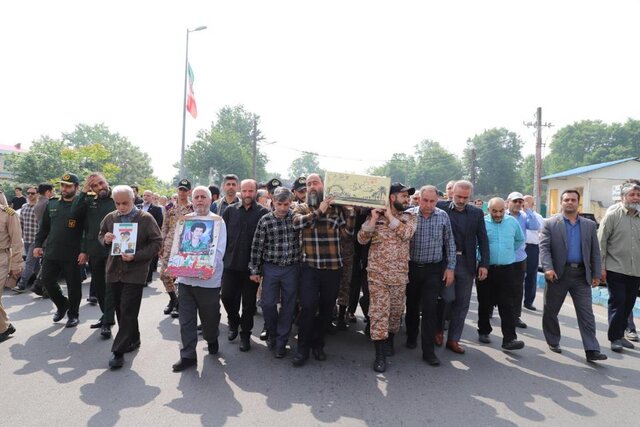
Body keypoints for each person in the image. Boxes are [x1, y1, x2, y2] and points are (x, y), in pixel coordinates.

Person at [292, 173, 355, 367]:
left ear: (323, 186)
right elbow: (297, 223)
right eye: (308, 184)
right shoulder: (301, 207)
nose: (311, 186)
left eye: (315, 183)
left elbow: (347, 235)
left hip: (333, 268)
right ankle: (302, 348)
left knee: (327, 310)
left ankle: (318, 344)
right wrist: (319, 211)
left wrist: (350, 212)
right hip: (310, 268)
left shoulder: (336, 210)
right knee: (308, 308)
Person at [539, 189, 607, 362]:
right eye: (567, 199)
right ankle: (553, 340)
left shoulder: (589, 225)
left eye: (573, 199)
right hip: (557, 275)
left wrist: (597, 273)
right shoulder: (550, 223)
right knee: (551, 311)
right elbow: (544, 248)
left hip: (581, 275)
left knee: (587, 314)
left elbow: (595, 252)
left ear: (578, 202)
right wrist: (548, 268)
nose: (570, 202)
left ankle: (592, 349)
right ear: (561, 202)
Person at [99, 185, 163, 369]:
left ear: (133, 199)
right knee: (121, 310)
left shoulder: (145, 218)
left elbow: (156, 242)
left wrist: (137, 255)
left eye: (125, 203)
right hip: (113, 270)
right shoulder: (111, 217)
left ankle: (118, 351)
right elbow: (101, 234)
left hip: (135, 272)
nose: (121, 207)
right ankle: (133, 338)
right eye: (117, 203)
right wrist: (106, 239)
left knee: (128, 309)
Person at [358, 182, 416, 372]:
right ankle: (380, 355)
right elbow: (362, 239)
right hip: (377, 275)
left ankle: (390, 340)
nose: (407, 199)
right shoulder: (373, 216)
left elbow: (406, 234)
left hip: (399, 276)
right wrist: (373, 219)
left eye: (407, 197)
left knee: (395, 314)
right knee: (379, 314)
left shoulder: (409, 217)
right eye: (403, 196)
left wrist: (389, 215)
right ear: (392, 197)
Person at [171, 186, 227, 372]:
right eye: (197, 197)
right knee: (186, 320)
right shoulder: (184, 222)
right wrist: (177, 264)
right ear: (192, 200)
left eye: (204, 197)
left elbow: (219, 252)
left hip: (208, 282)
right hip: (186, 281)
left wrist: (204, 266)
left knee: (209, 319)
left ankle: (212, 338)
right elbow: (178, 248)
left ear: (210, 200)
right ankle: (188, 355)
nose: (200, 200)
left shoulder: (218, 222)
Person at [437, 180, 489, 355]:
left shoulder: (476, 213)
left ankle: (453, 339)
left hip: (467, 264)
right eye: (458, 196)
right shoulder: (440, 208)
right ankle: (438, 329)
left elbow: (483, 239)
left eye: (465, 198)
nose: (461, 200)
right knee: (446, 298)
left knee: (462, 303)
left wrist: (484, 264)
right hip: (445, 263)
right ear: (452, 193)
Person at [404, 185, 454, 366]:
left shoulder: (443, 216)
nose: (428, 204)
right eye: (425, 200)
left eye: (432, 201)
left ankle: (428, 351)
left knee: (430, 310)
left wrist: (450, 268)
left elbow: (450, 244)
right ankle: (411, 335)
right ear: (418, 199)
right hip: (411, 268)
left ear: (437, 200)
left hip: (433, 270)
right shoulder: (408, 215)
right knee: (411, 305)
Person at [249, 187, 301, 358]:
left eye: (287, 204)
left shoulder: (295, 219)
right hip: (271, 268)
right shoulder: (265, 221)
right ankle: (272, 332)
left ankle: (281, 342)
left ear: (291, 203)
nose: (283, 208)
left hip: (291, 268)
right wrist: (254, 269)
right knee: (268, 304)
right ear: (273, 202)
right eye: (280, 204)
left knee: (288, 306)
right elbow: (257, 247)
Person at [221, 179, 269, 351]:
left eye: (251, 191)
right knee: (226, 296)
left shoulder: (263, 213)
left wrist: (260, 268)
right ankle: (234, 322)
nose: (248, 194)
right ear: (240, 192)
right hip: (230, 265)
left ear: (256, 191)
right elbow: (221, 237)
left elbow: (266, 243)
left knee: (249, 304)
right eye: (245, 191)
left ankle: (245, 336)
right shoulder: (230, 211)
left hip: (251, 268)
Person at [33, 173, 85, 328]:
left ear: (76, 187)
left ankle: (73, 315)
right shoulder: (53, 203)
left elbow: (86, 231)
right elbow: (44, 227)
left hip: (73, 253)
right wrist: (37, 244)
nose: (64, 188)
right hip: (52, 251)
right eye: (62, 185)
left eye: (68, 186)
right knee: (47, 281)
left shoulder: (81, 204)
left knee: (73, 285)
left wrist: (84, 251)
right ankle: (62, 304)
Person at [477, 197, 525, 350]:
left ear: (505, 209)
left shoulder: (512, 222)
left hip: (507, 270)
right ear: (488, 210)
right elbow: (475, 244)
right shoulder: (482, 223)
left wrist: (506, 252)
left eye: (501, 211)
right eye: (494, 211)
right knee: (484, 302)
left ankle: (509, 339)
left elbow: (519, 240)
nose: (498, 214)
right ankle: (484, 330)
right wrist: (480, 261)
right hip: (486, 270)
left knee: (507, 305)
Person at [72, 173, 116, 338]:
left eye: (101, 183)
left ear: (106, 181)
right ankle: (106, 316)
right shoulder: (90, 200)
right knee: (100, 286)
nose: (99, 187)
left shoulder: (117, 197)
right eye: (94, 186)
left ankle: (107, 322)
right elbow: (75, 215)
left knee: (110, 286)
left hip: (114, 249)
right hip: (95, 250)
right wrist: (83, 191)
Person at [598, 181, 640, 353]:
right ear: (623, 197)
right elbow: (601, 241)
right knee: (618, 302)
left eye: (638, 195)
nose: (636, 198)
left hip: (636, 269)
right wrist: (601, 267)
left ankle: (621, 335)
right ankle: (615, 338)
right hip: (615, 267)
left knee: (629, 303)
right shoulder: (613, 215)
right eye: (632, 195)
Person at [159, 179, 193, 318]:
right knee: (163, 274)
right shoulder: (170, 208)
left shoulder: (192, 208)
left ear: (189, 191)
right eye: (180, 189)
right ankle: (173, 299)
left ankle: (179, 304)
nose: (182, 192)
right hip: (169, 243)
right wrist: (161, 243)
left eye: (185, 190)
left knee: (181, 275)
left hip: (184, 245)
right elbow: (165, 225)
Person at [506, 191, 540, 328]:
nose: (518, 204)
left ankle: (515, 317)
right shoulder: (502, 215)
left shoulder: (525, 217)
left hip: (519, 258)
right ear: (508, 202)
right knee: (498, 286)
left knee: (517, 289)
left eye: (520, 202)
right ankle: (490, 311)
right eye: (515, 201)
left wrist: (529, 209)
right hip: (503, 257)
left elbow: (535, 226)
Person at [0, 190, 23, 343]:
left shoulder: (9, 214)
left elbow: (16, 242)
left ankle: (3, 329)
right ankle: (5, 326)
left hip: (2, 257)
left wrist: (16, 265)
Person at [522, 195, 544, 311]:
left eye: (527, 202)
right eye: (523, 202)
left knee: (531, 275)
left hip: (532, 248)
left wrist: (529, 212)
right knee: (518, 275)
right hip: (521, 247)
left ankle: (529, 301)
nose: (524, 204)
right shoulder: (517, 216)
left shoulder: (538, 217)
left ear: (532, 204)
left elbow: (541, 231)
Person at [15, 186, 39, 292]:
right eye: (28, 193)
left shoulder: (40, 207)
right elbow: (20, 223)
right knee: (36, 265)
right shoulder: (24, 206)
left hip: (36, 240)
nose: (30, 195)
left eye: (33, 193)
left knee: (29, 262)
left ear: (37, 194)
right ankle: (43, 283)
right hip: (26, 239)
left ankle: (21, 284)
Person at [139, 190, 163, 283]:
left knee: (149, 258)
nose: (145, 197)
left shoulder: (157, 209)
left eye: (148, 195)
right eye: (144, 195)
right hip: (139, 236)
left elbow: (159, 222)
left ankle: (147, 278)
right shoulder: (138, 207)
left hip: (150, 236)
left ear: (152, 197)